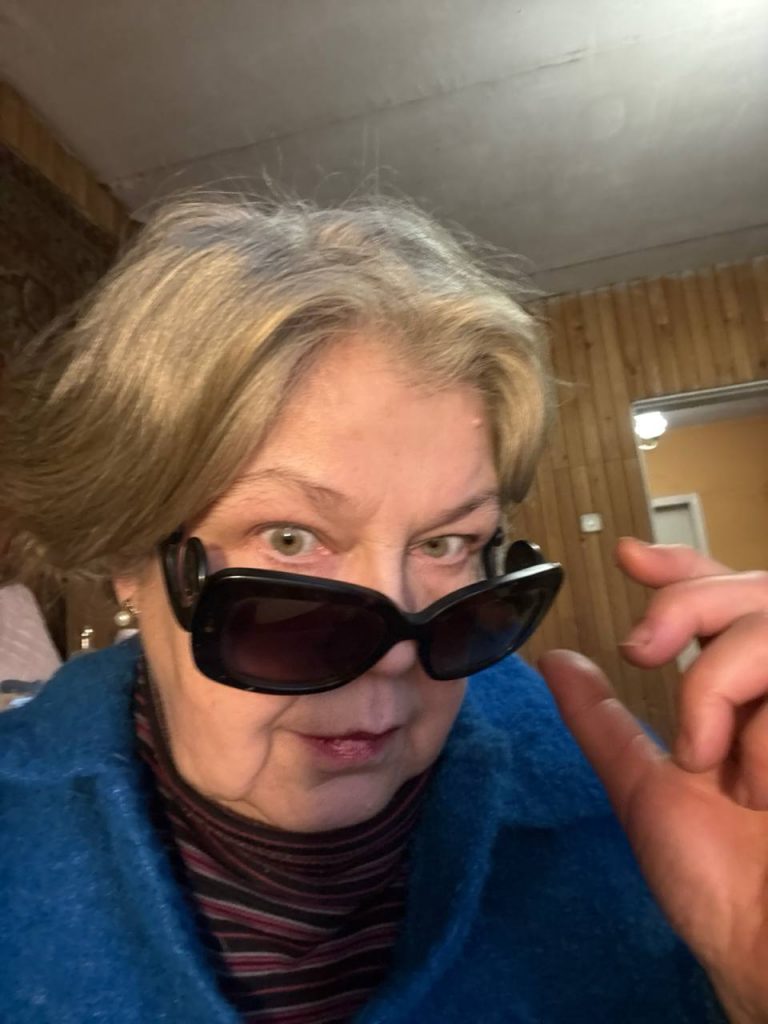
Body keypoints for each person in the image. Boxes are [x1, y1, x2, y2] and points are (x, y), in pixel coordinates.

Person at [0, 197, 766, 1024]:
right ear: (129, 557)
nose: (395, 653)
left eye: (445, 543)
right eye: (290, 539)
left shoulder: (636, 822)